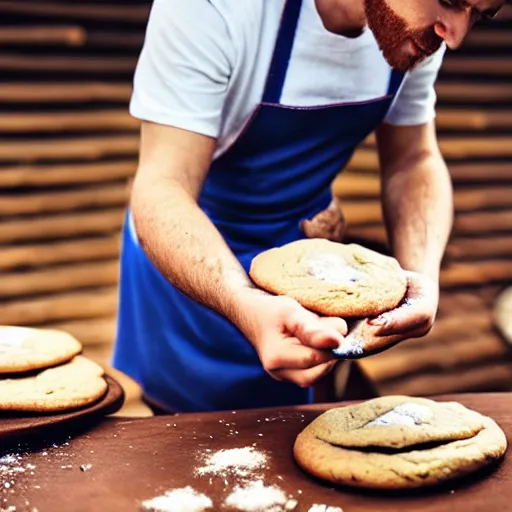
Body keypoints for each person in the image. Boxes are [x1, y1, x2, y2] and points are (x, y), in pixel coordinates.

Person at [112, 0, 506, 413]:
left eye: (480, 14)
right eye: (448, 0)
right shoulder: (214, 9)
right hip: (192, 271)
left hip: (311, 273)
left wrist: (419, 277)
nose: (456, 35)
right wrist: (245, 303)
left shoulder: (418, 33)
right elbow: (162, 186)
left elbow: (413, 160)